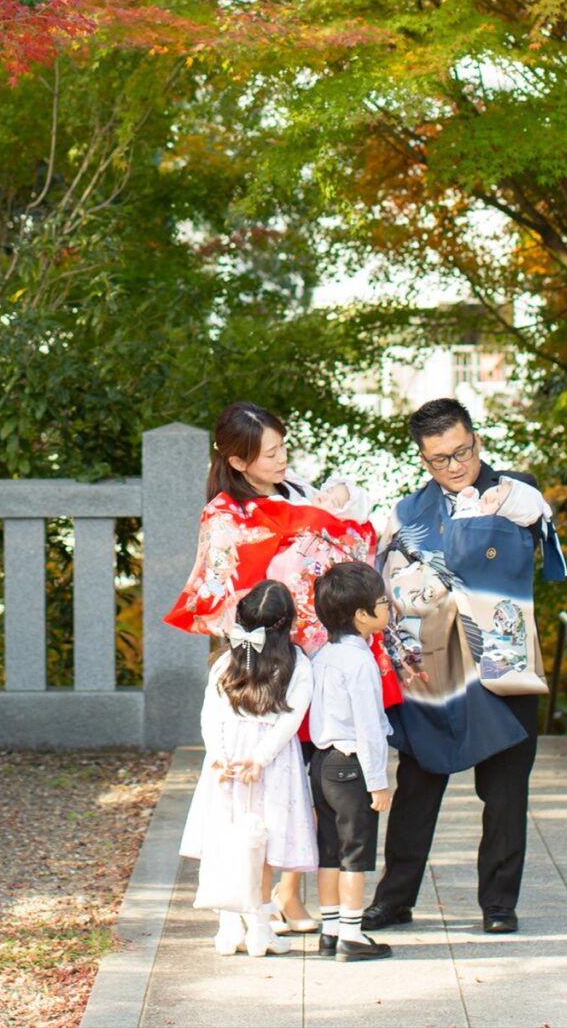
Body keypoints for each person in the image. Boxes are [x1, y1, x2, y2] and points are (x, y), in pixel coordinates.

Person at [162, 402, 388, 935]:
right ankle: (263, 899)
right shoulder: (224, 516)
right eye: (271, 452)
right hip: (273, 663)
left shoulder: (299, 492)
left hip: (323, 653)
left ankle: (290, 893)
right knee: (274, 780)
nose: (283, 458)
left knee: (314, 780)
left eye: (284, 445)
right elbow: (217, 594)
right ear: (238, 463)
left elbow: (347, 538)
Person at [364, 398, 566, 937]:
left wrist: (500, 509)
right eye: (439, 459)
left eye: (463, 452)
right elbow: (387, 587)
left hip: (504, 660)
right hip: (432, 662)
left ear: (476, 439)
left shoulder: (515, 493)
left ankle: (499, 903)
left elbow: (539, 526)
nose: (455, 466)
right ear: (422, 459)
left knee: (505, 791)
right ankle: (395, 898)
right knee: (418, 783)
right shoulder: (407, 514)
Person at [178, 580, 315, 957]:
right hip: (268, 763)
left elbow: (210, 713)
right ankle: (257, 929)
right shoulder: (297, 662)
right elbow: (292, 717)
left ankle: (232, 929)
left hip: (229, 762)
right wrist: (259, 758)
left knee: (230, 839)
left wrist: (219, 756)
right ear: (288, 624)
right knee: (262, 843)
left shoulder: (226, 660)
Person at [306, 559, 396, 962]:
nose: (388, 606)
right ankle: (352, 935)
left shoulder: (324, 655)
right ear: (362, 614)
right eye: (382, 601)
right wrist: (378, 781)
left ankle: (329, 930)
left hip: (321, 763)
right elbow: (368, 726)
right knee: (354, 854)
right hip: (351, 764)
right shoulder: (360, 661)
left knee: (328, 849)